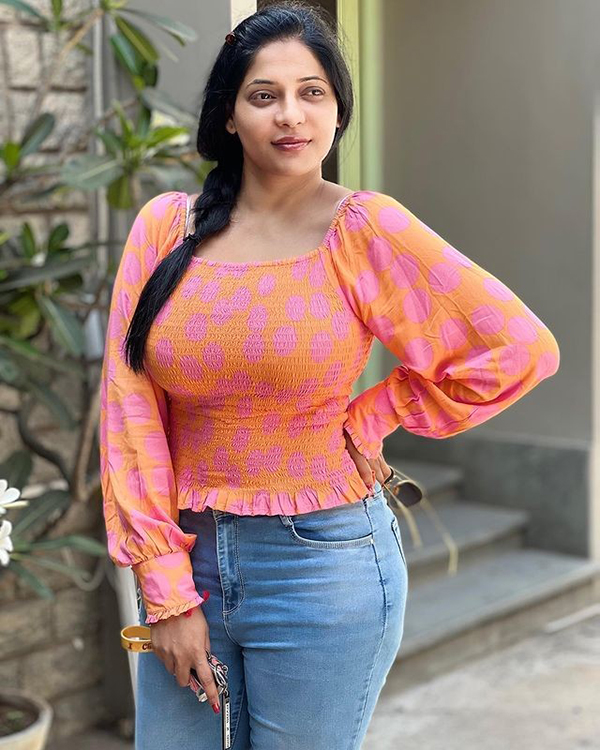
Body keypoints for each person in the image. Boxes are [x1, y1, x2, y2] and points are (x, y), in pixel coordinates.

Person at [98, 2, 561, 748]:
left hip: (322, 567)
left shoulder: (366, 229)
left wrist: (376, 412)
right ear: (229, 116)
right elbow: (131, 408)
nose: (291, 115)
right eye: (264, 95)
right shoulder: (167, 228)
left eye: (312, 92)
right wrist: (168, 591)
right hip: (187, 557)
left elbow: (515, 347)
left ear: (338, 110)